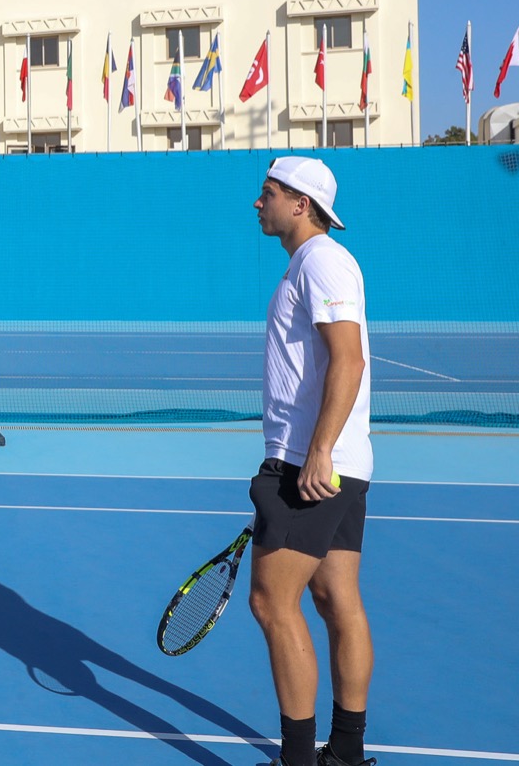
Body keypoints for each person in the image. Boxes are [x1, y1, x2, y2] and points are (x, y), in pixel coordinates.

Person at [249, 157, 376, 766]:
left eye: (268, 193)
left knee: (272, 603)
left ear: (301, 204)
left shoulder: (321, 260)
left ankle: (298, 761)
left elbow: (347, 359)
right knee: (334, 599)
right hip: (334, 463)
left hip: (312, 465)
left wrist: (317, 451)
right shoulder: (309, 264)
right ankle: (345, 754)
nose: (258, 203)